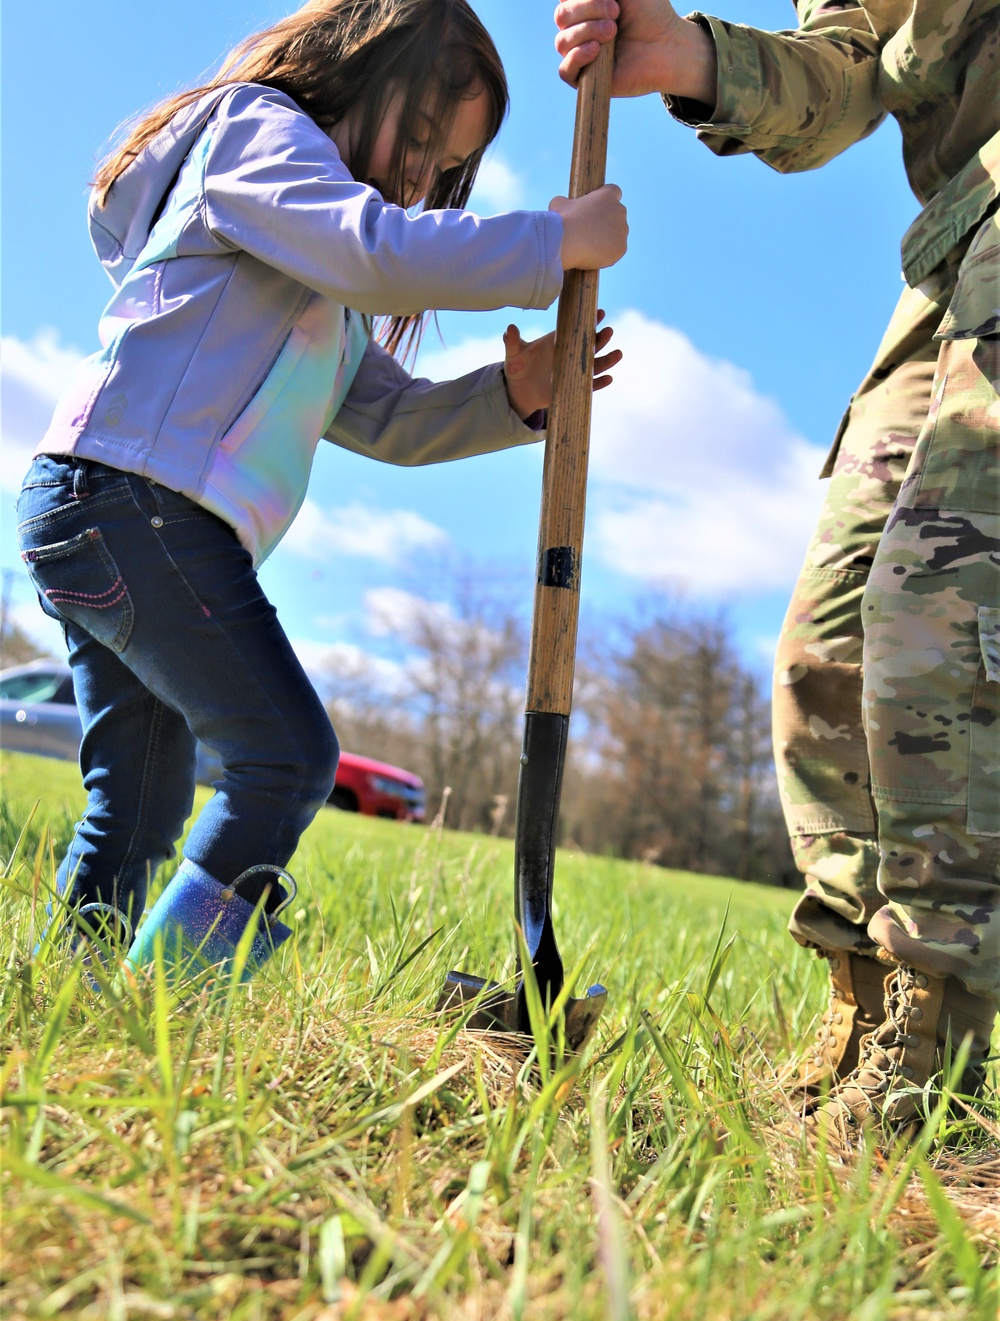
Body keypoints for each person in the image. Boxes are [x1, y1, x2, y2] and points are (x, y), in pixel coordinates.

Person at [17, 0, 628, 988]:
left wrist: (509, 398)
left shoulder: (321, 269)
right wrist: (546, 243)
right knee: (286, 758)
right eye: (423, 137)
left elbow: (385, 418)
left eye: (445, 168)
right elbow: (371, 251)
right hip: (130, 502)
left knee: (137, 799)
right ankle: (166, 1003)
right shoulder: (257, 136)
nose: (424, 177)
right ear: (361, 65)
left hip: (115, 511)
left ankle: (71, 1000)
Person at [554, 0, 998, 1142]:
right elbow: (854, 79)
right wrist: (691, 60)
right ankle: (862, 997)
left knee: (933, 618)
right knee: (828, 646)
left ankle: (933, 1049)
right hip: (956, 245)